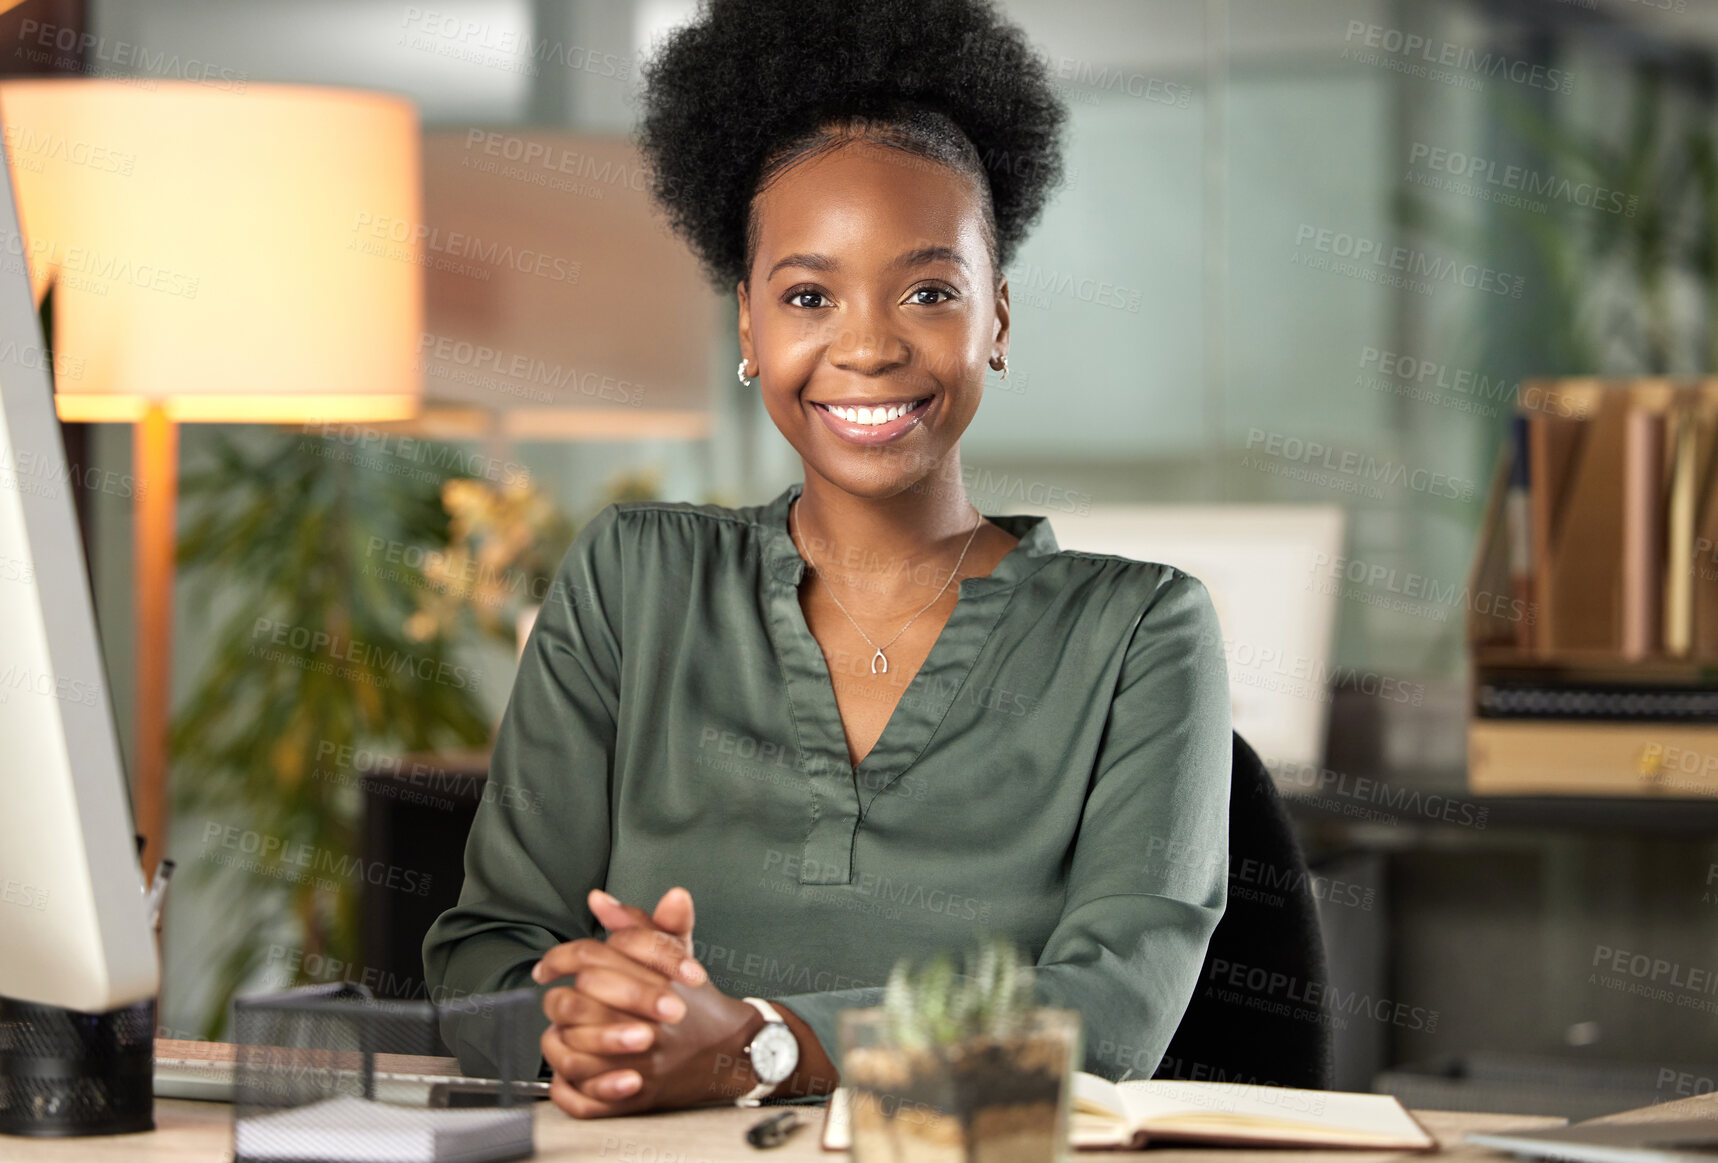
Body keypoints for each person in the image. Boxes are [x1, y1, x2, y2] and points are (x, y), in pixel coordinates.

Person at [422, 0, 1231, 1119]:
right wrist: (594, 1015)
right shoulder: (630, 583)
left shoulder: (1141, 631)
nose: (866, 345)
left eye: (929, 292)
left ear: (995, 317)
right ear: (748, 331)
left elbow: (1107, 1018)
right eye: (808, 295)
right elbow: (484, 959)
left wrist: (761, 1042)